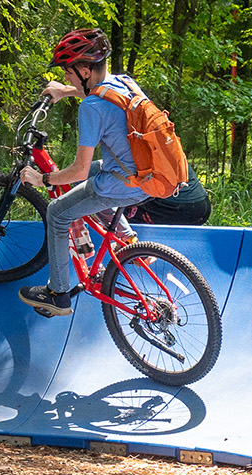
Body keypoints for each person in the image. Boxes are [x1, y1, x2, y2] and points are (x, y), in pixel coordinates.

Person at [16, 27, 179, 316]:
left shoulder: (91, 107)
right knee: (97, 171)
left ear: (84, 68)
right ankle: (127, 241)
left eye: (67, 70)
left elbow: (77, 170)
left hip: (124, 183)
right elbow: (101, 95)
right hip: (148, 174)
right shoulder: (124, 82)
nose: (65, 75)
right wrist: (64, 91)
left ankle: (58, 294)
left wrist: (42, 179)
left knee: (57, 212)